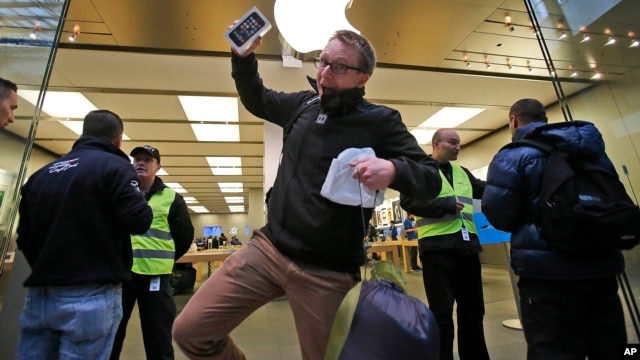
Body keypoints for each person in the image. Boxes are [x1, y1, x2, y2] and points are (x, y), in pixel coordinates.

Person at [172, 29, 442, 360]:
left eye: (339, 67)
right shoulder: (304, 105)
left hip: (327, 270)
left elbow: (430, 178)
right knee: (191, 331)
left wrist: (393, 169)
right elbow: (257, 98)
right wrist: (242, 58)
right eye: (323, 62)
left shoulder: (380, 121)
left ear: (363, 78)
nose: (325, 72)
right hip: (268, 249)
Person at [481, 98, 626, 359]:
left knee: (552, 349)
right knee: (610, 347)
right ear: (545, 119)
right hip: (602, 267)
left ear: (513, 120)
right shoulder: (593, 152)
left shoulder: (513, 156)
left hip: (547, 276)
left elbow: (499, 214)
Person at [15, 110, 153, 360]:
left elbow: (23, 237)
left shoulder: (42, 174)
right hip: (91, 295)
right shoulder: (116, 167)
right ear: (119, 139)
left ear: (83, 133)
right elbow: (139, 220)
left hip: (40, 295)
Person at [400, 128, 489, 360]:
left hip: (467, 249)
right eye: (453, 142)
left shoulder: (463, 173)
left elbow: (486, 191)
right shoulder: (420, 171)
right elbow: (408, 201)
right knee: (441, 314)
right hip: (437, 251)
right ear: (436, 144)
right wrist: (445, 205)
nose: (458, 146)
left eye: (459, 143)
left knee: (473, 311)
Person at [110, 145, 194, 360]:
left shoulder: (171, 198)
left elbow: (183, 237)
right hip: (122, 276)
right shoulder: (121, 193)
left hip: (155, 279)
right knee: (111, 335)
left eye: (147, 159)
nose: (141, 162)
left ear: (158, 166)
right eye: (137, 158)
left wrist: (164, 258)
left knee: (158, 339)